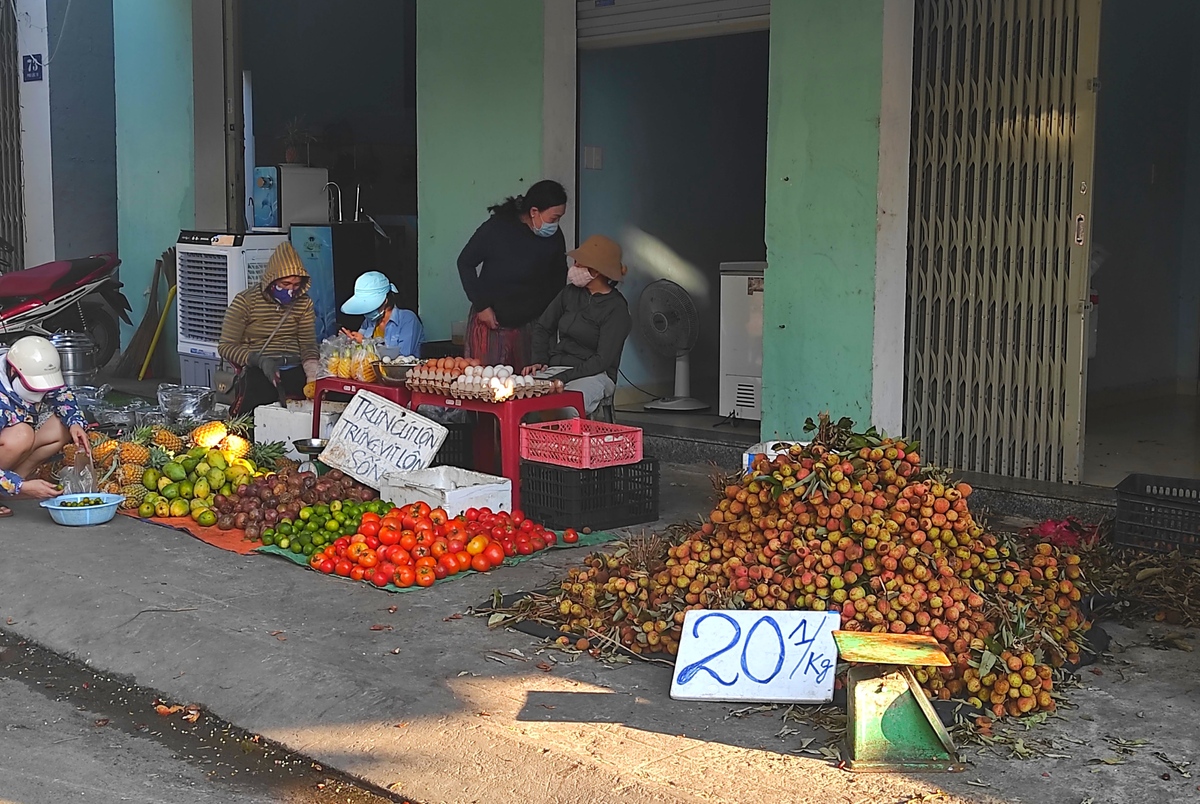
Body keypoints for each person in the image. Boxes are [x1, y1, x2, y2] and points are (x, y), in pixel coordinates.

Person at [457, 179, 568, 370]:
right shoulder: (497, 228)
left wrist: (551, 318)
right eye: (553, 218)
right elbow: (465, 263)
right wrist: (482, 306)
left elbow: (558, 278)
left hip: (533, 326)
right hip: (492, 324)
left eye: (559, 218)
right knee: (487, 386)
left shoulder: (554, 237)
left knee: (529, 386)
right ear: (534, 212)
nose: (556, 224)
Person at [525, 235, 632, 417]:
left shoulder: (616, 308)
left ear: (595, 271)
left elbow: (601, 361)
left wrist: (561, 379)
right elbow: (543, 327)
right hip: (555, 369)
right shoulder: (570, 293)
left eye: (579, 263)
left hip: (595, 375)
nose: (574, 266)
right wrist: (539, 361)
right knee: (521, 399)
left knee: (566, 408)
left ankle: (566, 446)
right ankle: (532, 446)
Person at [218, 242, 320, 416]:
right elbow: (226, 347)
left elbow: (308, 344)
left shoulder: (303, 302)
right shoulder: (245, 301)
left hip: (294, 370)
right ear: (272, 280)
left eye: (296, 285)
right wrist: (259, 360)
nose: (290, 290)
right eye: (285, 284)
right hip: (257, 372)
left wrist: (312, 374)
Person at [0, 335, 91, 516]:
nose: (40, 395)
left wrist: (75, 423)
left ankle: (8, 487)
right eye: (33, 388)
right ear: (12, 372)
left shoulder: (28, 366)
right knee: (21, 435)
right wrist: (21, 486)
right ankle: (13, 485)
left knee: (61, 428)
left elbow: (61, 395)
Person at [339, 271, 426, 356]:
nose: (367, 312)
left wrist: (366, 343)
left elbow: (403, 355)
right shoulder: (368, 322)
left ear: (385, 301)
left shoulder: (408, 319)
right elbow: (360, 351)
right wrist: (352, 340)